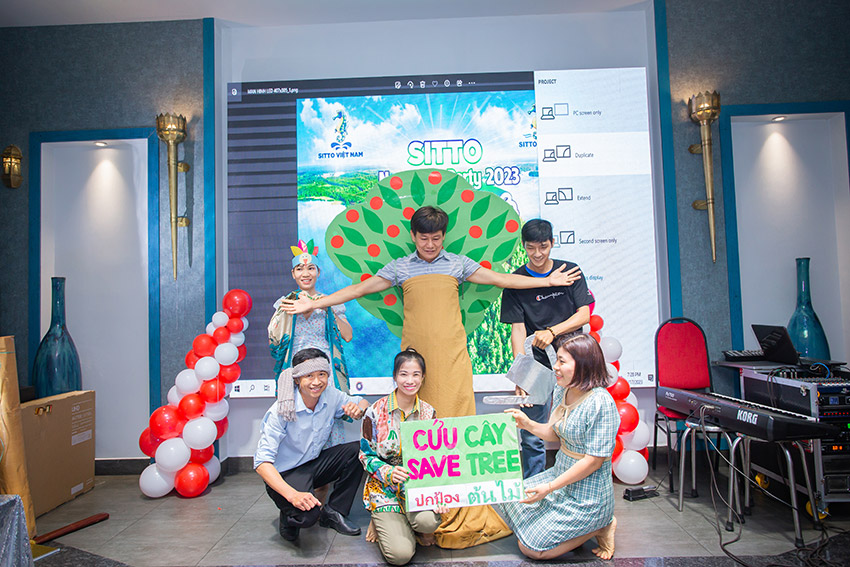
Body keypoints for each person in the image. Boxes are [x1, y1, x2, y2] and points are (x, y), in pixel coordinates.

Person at [284, 205, 582, 549]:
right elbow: (360, 289)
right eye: (424, 238)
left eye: (436, 238)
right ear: (413, 236)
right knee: (414, 433)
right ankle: (404, 507)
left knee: (454, 427)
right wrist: (314, 304)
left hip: (452, 360)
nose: (430, 244)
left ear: (444, 237)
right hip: (417, 364)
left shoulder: (458, 264)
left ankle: (456, 501)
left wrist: (547, 281)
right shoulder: (400, 267)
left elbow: (501, 280)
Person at [499, 333, 619, 560]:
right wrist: (527, 424)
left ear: (583, 365)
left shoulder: (600, 402)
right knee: (509, 497)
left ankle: (602, 525)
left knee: (531, 549)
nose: (555, 367)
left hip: (587, 495)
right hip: (560, 476)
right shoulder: (564, 389)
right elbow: (555, 433)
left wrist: (550, 487)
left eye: (562, 361)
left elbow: (593, 462)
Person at [500, 219, 593, 478]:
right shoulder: (515, 281)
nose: (538, 254)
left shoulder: (569, 271)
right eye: (531, 248)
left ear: (552, 242)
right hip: (537, 365)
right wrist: (521, 374)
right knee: (531, 433)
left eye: (543, 246)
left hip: (573, 361)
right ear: (524, 246)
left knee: (577, 426)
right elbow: (518, 330)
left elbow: (584, 315)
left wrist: (552, 332)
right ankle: (533, 488)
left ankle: (576, 482)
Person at [254, 348, 370, 542]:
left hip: (313, 464)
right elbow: (261, 463)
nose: (316, 382)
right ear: (297, 379)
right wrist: (292, 496)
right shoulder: (281, 410)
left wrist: (359, 409)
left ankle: (334, 511)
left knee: (358, 450)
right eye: (309, 376)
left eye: (321, 374)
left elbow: (362, 401)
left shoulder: (330, 395)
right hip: (286, 474)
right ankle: (289, 515)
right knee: (307, 517)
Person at [359, 348, 447, 565]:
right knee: (400, 556)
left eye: (416, 374)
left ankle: (408, 525)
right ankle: (381, 517)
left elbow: (435, 459)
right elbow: (365, 456)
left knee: (429, 522)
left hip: (416, 489)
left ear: (423, 377)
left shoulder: (429, 413)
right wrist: (388, 472)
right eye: (404, 374)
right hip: (384, 490)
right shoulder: (375, 412)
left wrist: (439, 495)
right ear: (395, 376)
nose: (410, 380)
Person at [268, 240, 354, 447]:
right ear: (293, 274)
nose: (305, 273)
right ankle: (302, 463)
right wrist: (284, 315)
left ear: (318, 272)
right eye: (299, 269)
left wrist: (325, 308)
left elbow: (348, 335)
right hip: (297, 368)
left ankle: (331, 462)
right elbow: (274, 340)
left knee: (328, 415)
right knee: (296, 417)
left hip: (324, 369)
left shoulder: (330, 301)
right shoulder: (286, 302)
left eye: (310, 268)